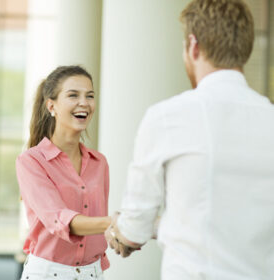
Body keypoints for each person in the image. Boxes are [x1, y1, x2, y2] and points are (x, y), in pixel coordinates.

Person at [105, 0, 274, 279]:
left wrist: (120, 229)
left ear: (193, 45)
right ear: (245, 49)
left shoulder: (167, 118)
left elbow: (133, 231)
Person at [16, 65, 111, 280]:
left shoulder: (100, 163)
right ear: (52, 106)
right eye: (73, 95)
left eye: (90, 96)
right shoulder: (31, 161)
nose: (84, 103)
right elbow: (59, 219)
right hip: (48, 274)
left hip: (93, 273)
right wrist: (115, 223)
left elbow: (97, 226)